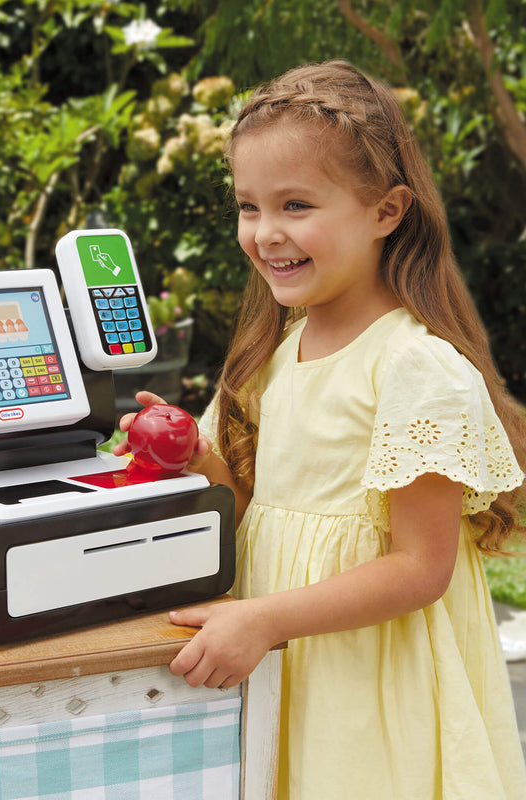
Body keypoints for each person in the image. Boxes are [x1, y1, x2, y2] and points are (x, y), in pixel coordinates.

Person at [114, 60, 526, 798]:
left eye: (296, 204)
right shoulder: (275, 353)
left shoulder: (413, 367)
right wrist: (192, 454)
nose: (266, 233)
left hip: (368, 684)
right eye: (249, 207)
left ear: (386, 211)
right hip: (283, 665)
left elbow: (419, 568)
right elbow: (247, 507)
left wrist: (266, 620)